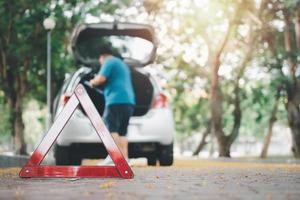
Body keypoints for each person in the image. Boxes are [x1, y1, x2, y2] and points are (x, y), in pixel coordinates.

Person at [89, 47, 135, 165]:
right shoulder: (122, 65)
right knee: (122, 132)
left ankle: (113, 157)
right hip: (129, 101)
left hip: (115, 100)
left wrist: (92, 82)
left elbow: (101, 78)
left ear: (102, 57)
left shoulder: (109, 62)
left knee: (111, 129)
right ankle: (125, 159)